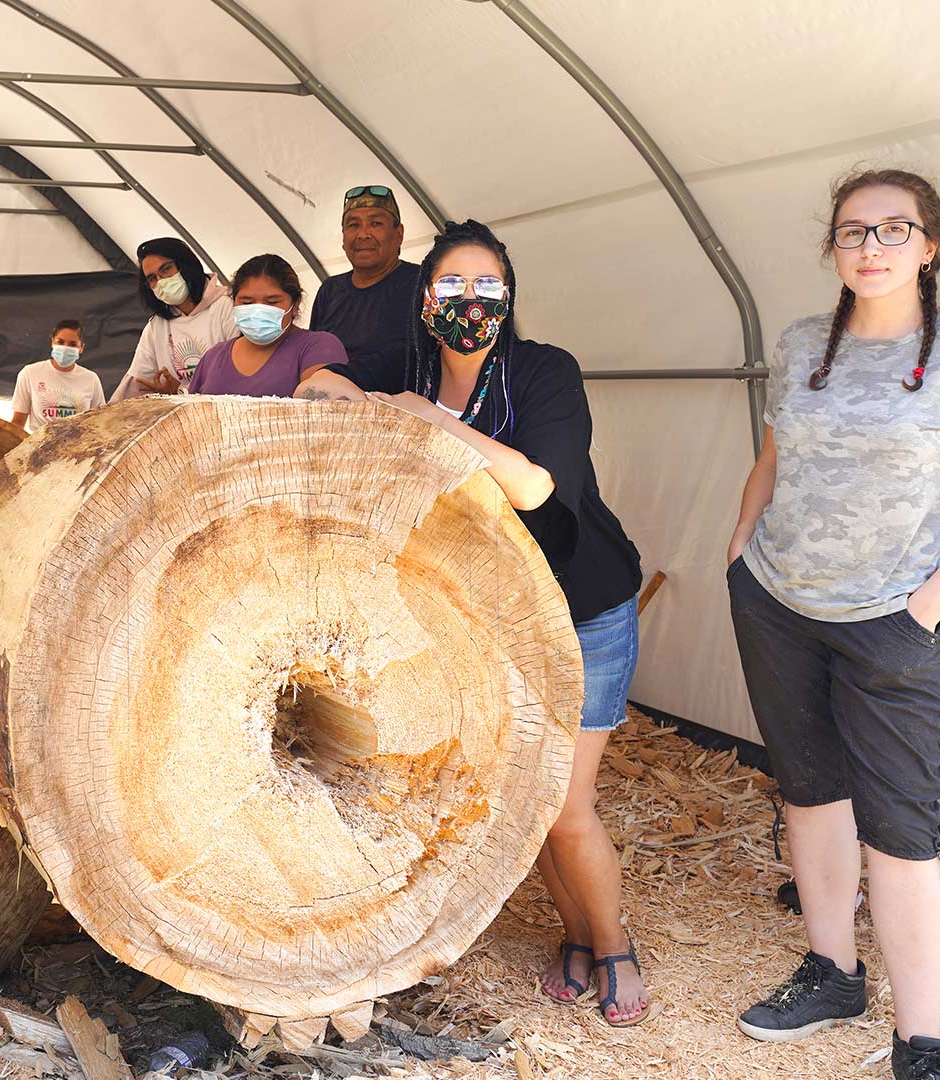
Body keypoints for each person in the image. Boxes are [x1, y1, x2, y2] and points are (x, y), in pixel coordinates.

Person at [295, 220, 650, 1026]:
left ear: (509, 297)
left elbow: (530, 487)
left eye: (488, 287)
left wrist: (424, 415)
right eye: (452, 286)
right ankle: (576, 933)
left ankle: (615, 942)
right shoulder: (409, 359)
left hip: (583, 604)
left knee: (566, 806)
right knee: (529, 795)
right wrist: (364, 397)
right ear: (426, 300)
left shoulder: (542, 371)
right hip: (491, 611)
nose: (470, 302)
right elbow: (318, 380)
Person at [724, 170, 940, 1080]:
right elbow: (774, 459)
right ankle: (832, 971)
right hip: (779, 605)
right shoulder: (801, 342)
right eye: (853, 231)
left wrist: (927, 607)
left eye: (895, 229)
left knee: (900, 829)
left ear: (929, 246)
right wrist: (739, 552)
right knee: (810, 795)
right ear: (832, 248)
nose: (871, 246)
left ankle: (921, 1038)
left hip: (893, 623)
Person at [187, 254, 345, 397]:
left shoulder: (319, 347)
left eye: (272, 302)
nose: (257, 310)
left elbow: (323, 414)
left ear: (295, 305)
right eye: (247, 302)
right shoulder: (214, 357)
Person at [309, 184, 419, 383]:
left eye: (375, 223)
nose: (363, 234)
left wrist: (340, 377)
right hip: (331, 404)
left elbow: (411, 357)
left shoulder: (421, 284)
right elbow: (312, 352)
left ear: (399, 234)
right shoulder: (330, 290)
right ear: (343, 238)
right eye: (353, 225)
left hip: (399, 409)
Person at [110, 237, 235, 400]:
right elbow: (136, 383)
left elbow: (237, 373)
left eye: (166, 269)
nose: (161, 282)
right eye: (153, 279)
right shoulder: (156, 326)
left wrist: (181, 393)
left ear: (186, 265)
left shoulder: (227, 306)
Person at [11, 319, 106, 433]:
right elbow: (18, 423)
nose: (65, 348)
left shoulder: (91, 379)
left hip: (78, 447)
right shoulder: (30, 373)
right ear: (52, 342)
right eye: (60, 342)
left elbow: (99, 422)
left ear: (81, 348)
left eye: (72, 344)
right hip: (37, 446)